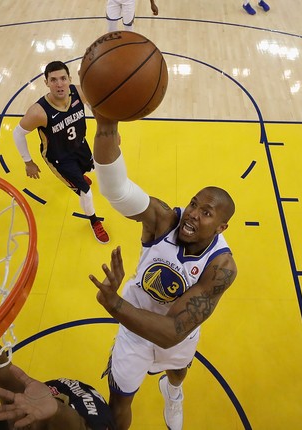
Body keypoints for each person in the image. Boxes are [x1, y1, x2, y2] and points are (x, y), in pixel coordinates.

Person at [87, 111, 238, 430]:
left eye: (206, 212)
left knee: (178, 370)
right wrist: (105, 123)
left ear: (221, 226)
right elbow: (116, 190)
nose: (193, 214)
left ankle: (174, 392)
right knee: (118, 405)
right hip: (133, 329)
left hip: (173, 333)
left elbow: (172, 332)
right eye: (194, 203)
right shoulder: (164, 220)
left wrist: (114, 303)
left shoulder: (221, 267)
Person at [0, 333, 117, 430]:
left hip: (80, 403)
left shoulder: (92, 421)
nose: (23, 423)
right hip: (46, 398)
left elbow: (2, 374)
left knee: (17, 399)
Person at [13, 61, 109, 244]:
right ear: (46, 83)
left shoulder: (79, 92)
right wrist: (28, 162)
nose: (59, 84)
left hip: (80, 145)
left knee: (95, 168)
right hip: (60, 159)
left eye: (63, 78)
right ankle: (94, 221)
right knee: (86, 192)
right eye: (54, 80)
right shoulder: (38, 112)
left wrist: (107, 129)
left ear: (69, 79)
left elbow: (94, 107)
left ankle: (80, 175)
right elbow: (18, 133)